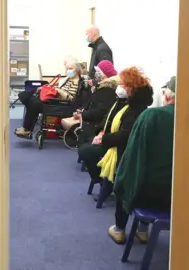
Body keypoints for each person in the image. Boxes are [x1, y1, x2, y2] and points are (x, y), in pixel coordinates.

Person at [108, 76, 177, 245]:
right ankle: (142, 231)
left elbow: (132, 158)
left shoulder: (152, 116)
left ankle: (119, 229)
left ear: (167, 95)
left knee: (124, 179)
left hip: (151, 194)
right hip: (183, 195)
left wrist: (119, 181)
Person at [78, 67, 154, 200]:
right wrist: (101, 132)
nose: (119, 87)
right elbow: (107, 118)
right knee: (85, 144)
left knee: (86, 151)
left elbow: (125, 135)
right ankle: (103, 181)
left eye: (122, 84)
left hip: (121, 148)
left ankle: (106, 183)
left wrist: (104, 139)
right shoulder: (121, 101)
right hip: (111, 139)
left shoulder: (137, 108)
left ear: (131, 87)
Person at [14, 59, 88, 138]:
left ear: (76, 70)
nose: (68, 71)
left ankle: (27, 129)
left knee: (33, 103)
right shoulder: (68, 79)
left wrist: (59, 91)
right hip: (56, 100)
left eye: (70, 69)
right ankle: (27, 129)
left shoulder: (78, 83)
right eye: (67, 69)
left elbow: (71, 99)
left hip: (62, 105)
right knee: (28, 97)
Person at [61, 60, 119, 142]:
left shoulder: (107, 90)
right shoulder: (100, 88)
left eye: (98, 71)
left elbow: (100, 112)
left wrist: (83, 114)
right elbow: (91, 103)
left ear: (104, 74)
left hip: (94, 124)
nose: (95, 73)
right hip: (91, 119)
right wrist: (81, 111)